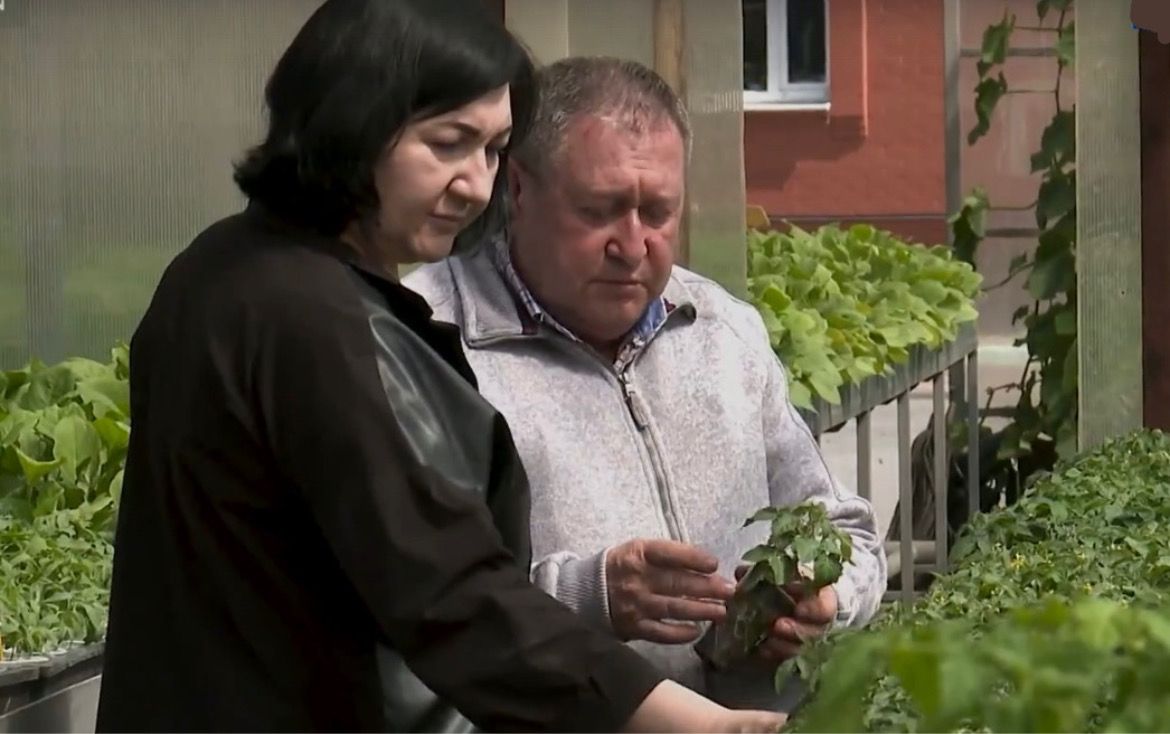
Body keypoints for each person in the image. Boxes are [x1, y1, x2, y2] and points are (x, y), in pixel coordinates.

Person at [94, 4, 788, 732]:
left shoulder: (221, 268)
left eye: (493, 151)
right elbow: (451, 593)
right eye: (449, 144)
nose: (476, 186)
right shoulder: (312, 319)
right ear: (353, 122)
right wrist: (695, 721)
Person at [403, 56, 888, 710]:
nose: (632, 246)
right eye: (599, 210)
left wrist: (825, 600)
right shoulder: (428, 344)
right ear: (517, 189)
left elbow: (847, 531)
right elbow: (413, 600)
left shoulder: (721, 329)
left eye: (658, 212)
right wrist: (590, 595)